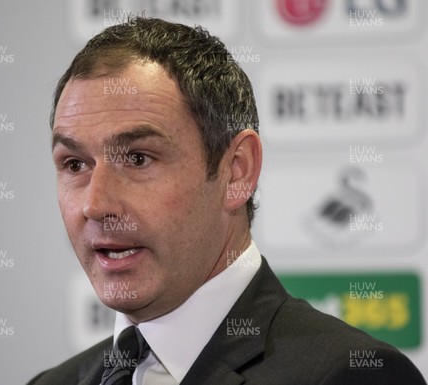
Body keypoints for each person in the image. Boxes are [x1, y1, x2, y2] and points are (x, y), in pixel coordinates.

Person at [28, 17, 426, 385]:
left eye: (138, 158)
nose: (95, 205)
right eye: (75, 163)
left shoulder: (352, 376)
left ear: (237, 171)